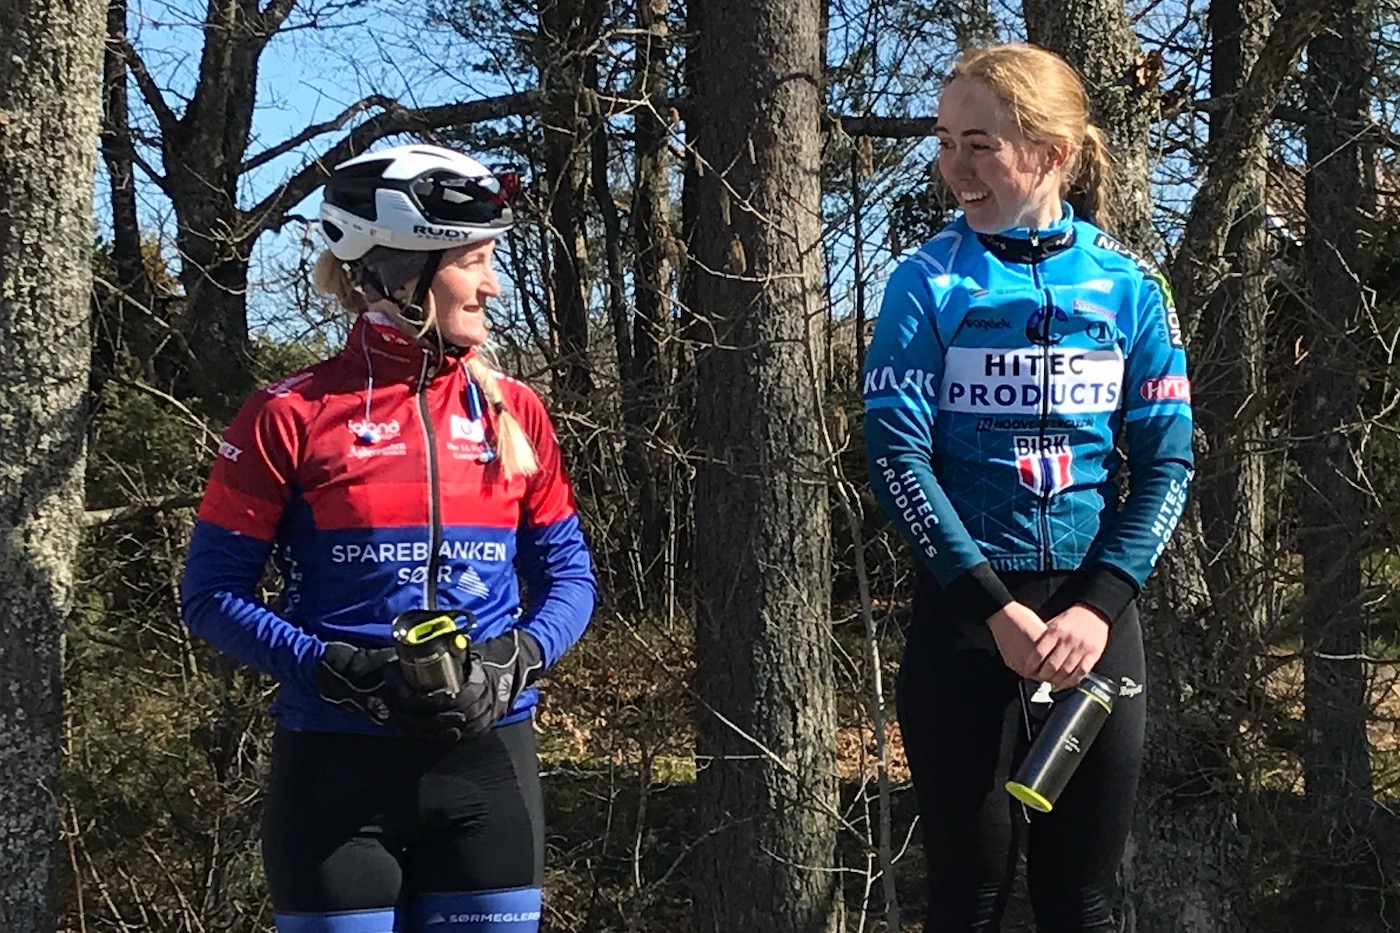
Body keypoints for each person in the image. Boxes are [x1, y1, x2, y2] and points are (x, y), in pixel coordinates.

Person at [181, 143, 597, 932]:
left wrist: (519, 656)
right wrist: (335, 669)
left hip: (488, 767)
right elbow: (210, 594)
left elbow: (570, 574)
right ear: (400, 272)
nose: (492, 285)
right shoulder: (289, 414)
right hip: (336, 774)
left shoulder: (516, 410)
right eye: (473, 262)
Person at [862, 44, 1193, 932]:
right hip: (968, 622)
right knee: (967, 899)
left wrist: (1100, 605)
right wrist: (993, 607)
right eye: (944, 142)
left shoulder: (1131, 285)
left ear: (1052, 154)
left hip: (1094, 627)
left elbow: (1167, 462)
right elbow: (896, 456)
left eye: (980, 145)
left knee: (1081, 900)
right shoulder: (926, 282)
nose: (954, 167)